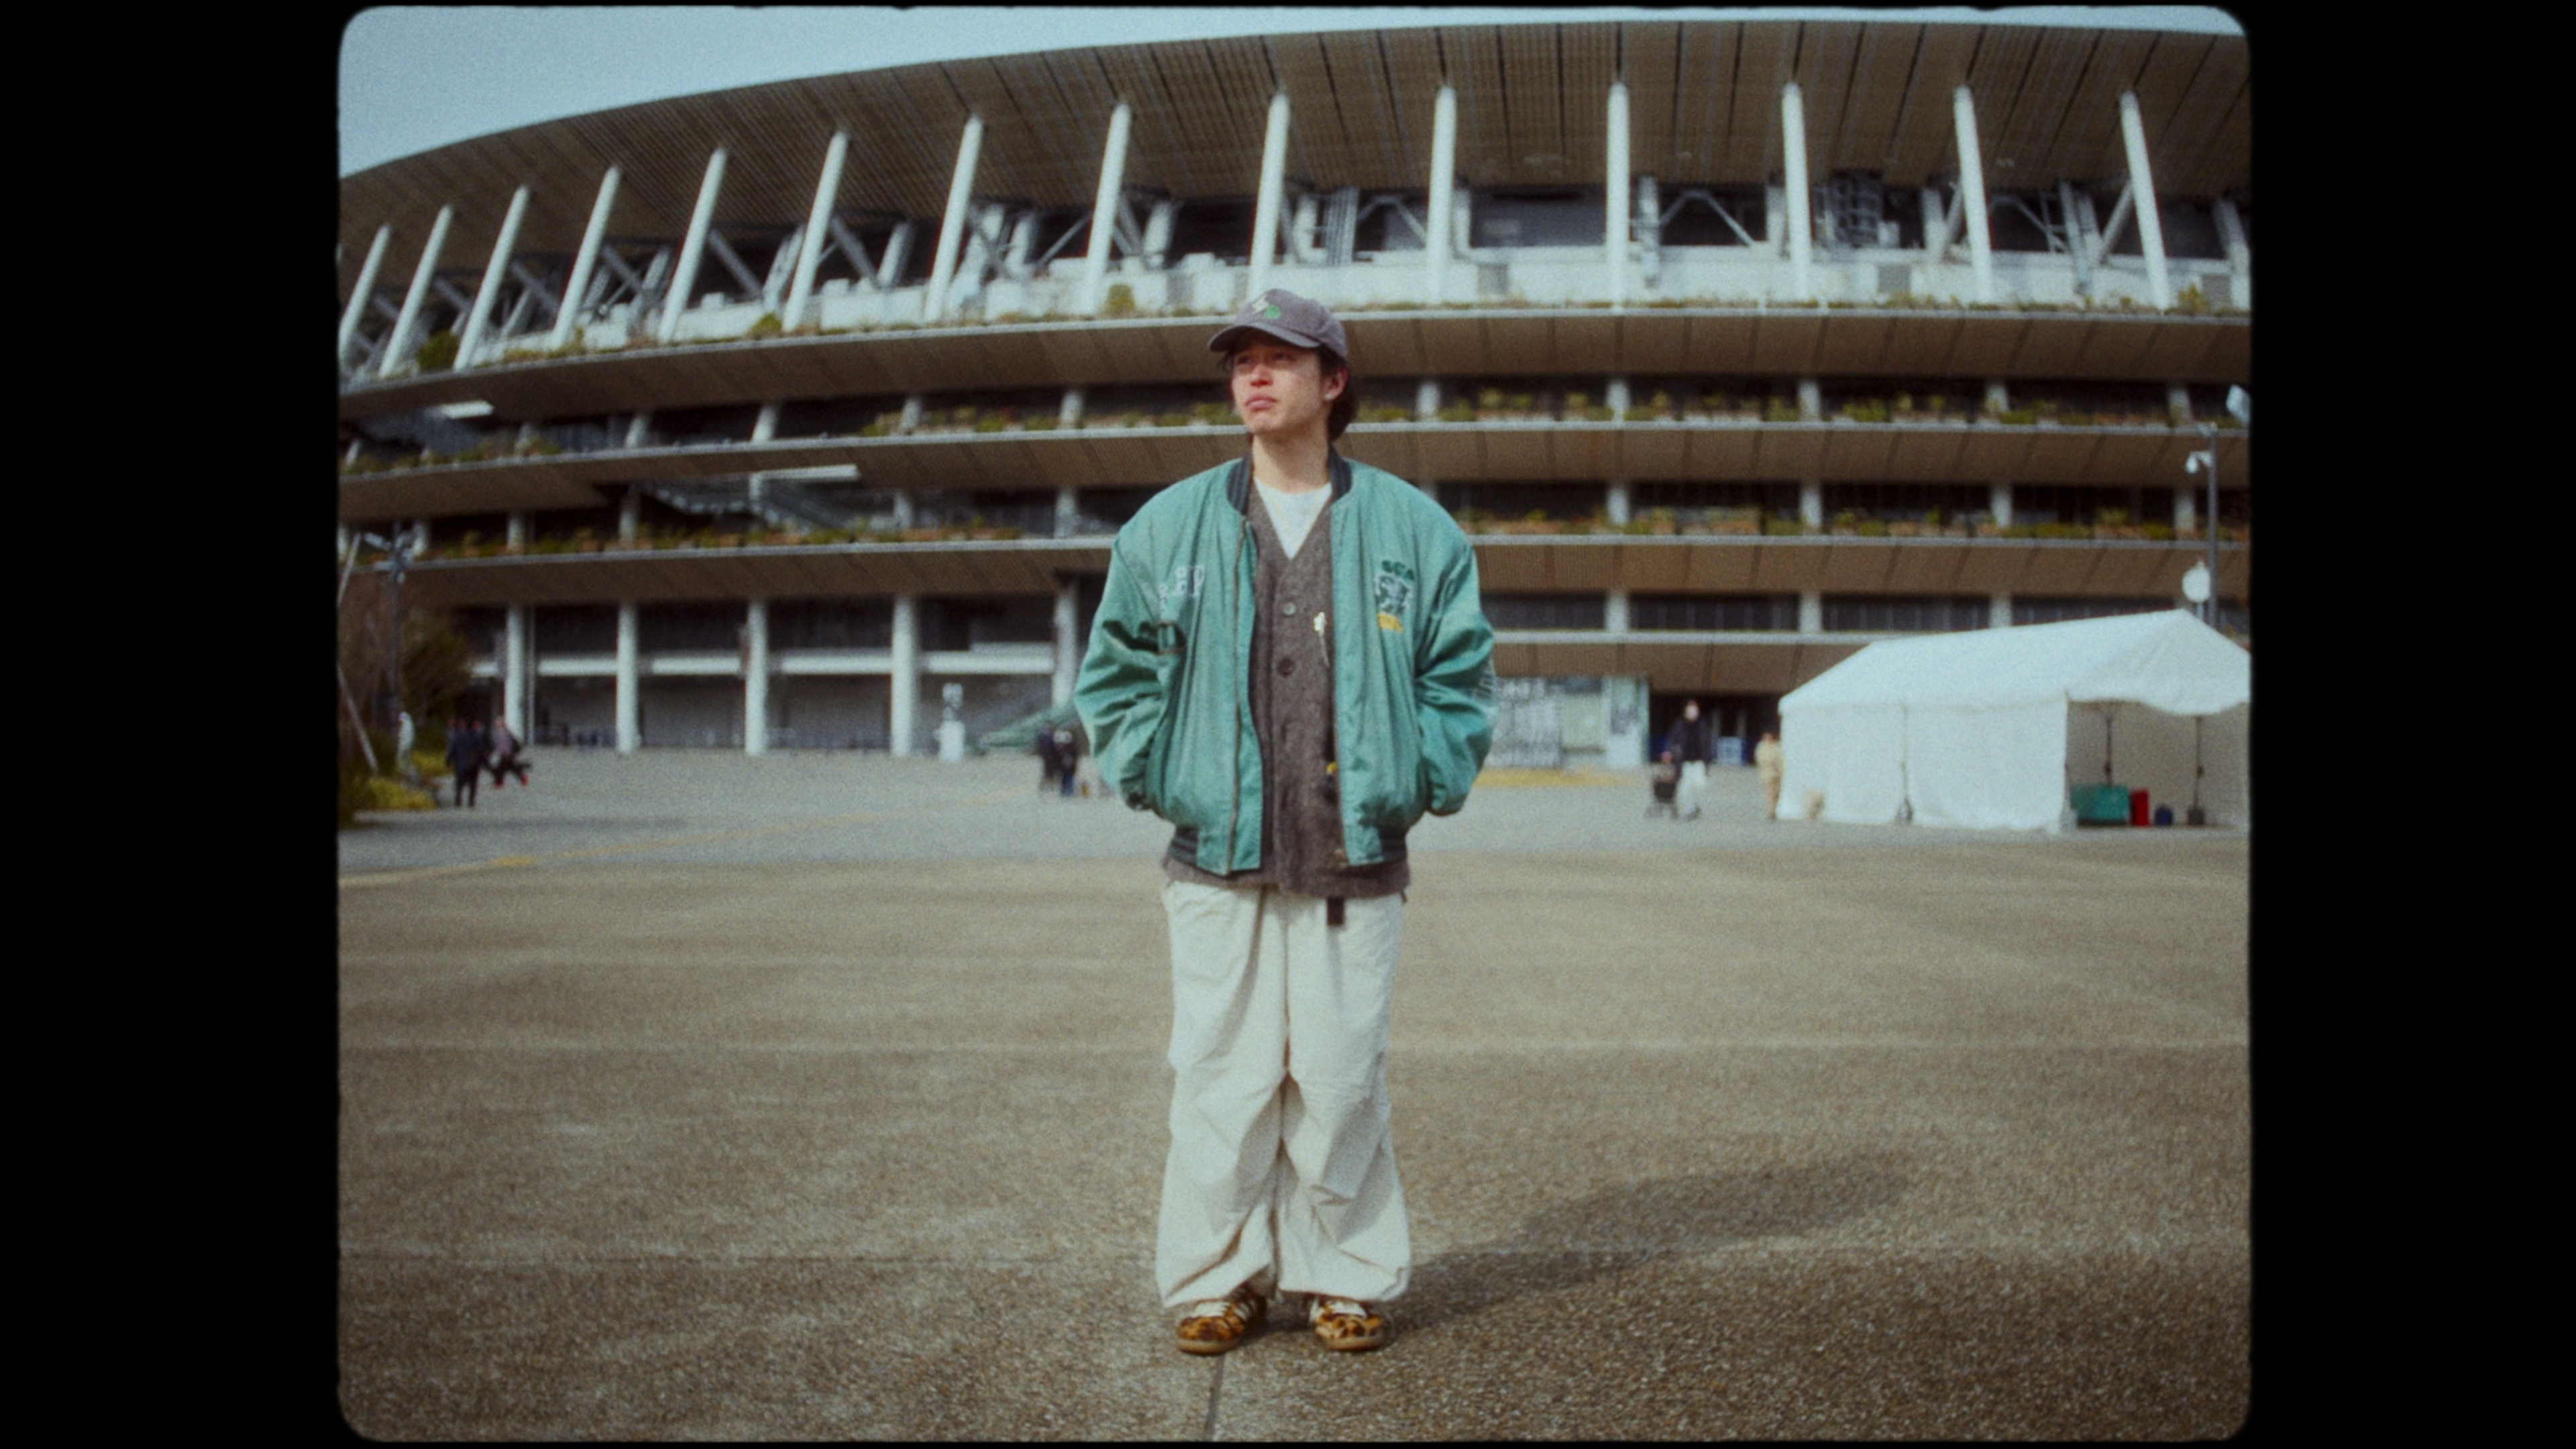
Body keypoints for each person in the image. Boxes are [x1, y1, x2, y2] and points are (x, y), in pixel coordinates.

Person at [1077, 289, 1494, 1358]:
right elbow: (1115, 670)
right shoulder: (1169, 528)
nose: (1254, 377)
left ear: (1334, 381)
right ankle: (1218, 1278)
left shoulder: (1414, 530)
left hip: (1355, 850)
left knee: (1343, 1076)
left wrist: (1421, 779)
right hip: (1216, 854)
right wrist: (1159, 773)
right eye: (1241, 361)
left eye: (1281, 359)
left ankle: (1343, 1273)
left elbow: (1460, 676)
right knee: (1220, 1075)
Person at [1667, 700, 1713, 820]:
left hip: (1699, 761)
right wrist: (1672, 753)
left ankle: (1695, 805)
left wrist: (1707, 759)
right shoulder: (1679, 724)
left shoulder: (1702, 724)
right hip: (1684, 762)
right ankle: (1689, 810)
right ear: (1685, 710)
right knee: (1685, 788)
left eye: (1694, 709)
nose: (1692, 712)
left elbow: (1707, 743)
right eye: (1690, 709)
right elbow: (1671, 740)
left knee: (1699, 785)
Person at [446, 716, 488, 808]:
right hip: (473, 764)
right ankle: (471, 801)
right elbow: (482, 751)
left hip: (461, 764)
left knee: (459, 783)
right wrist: (485, 763)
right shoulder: (477, 736)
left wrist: (448, 760)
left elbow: (452, 749)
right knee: (473, 783)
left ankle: (458, 800)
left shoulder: (457, 736)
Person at [487, 716, 529, 789]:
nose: (496, 724)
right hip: (506, 755)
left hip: (506, 755)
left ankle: (499, 782)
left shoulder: (503, 732)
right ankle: (522, 777)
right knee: (510, 768)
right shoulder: (504, 732)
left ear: (502, 724)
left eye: (498, 722)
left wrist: (506, 752)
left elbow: (506, 744)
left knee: (502, 769)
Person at [1755, 729, 1785, 822]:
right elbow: (1760, 759)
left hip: (1777, 774)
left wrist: (1781, 771)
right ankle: (1771, 812)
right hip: (1767, 773)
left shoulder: (1777, 747)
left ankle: (1774, 809)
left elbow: (1781, 760)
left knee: (1777, 794)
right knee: (1770, 794)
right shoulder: (1762, 747)